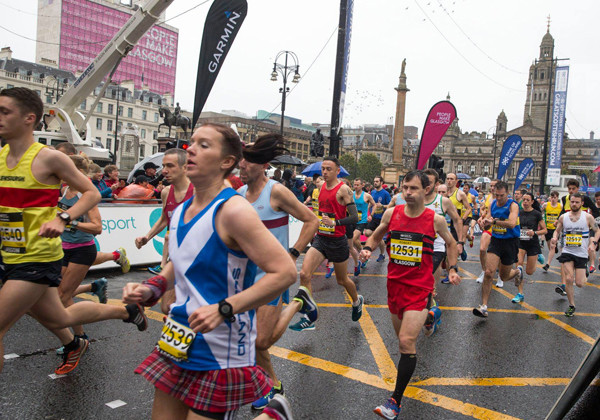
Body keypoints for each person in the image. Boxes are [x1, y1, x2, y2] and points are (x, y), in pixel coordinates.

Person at [123, 123, 297, 419]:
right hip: (177, 336)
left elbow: (285, 273)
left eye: (203, 145)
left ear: (226, 161)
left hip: (220, 347)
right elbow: (182, 261)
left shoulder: (234, 210)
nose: (190, 150)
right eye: (192, 143)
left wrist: (224, 308)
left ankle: (273, 415)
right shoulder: (181, 210)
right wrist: (152, 287)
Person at [0, 87, 148, 375]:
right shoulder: (2, 156)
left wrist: (63, 218)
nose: (0, 117)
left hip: (37, 257)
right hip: (9, 255)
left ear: (29, 118)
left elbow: (92, 193)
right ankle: (125, 311)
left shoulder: (48, 158)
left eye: (5, 112)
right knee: (59, 317)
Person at [361, 170, 460, 419]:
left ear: (426, 190)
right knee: (402, 340)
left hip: (419, 288)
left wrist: (453, 268)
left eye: (413, 188)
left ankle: (395, 401)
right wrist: (367, 248)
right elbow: (378, 233)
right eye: (404, 188)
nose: (407, 192)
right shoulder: (391, 213)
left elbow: (450, 242)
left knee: (406, 342)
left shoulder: (435, 219)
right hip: (395, 286)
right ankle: (430, 318)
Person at [238, 133, 319, 410]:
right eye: (241, 160)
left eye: (248, 161)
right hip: (245, 278)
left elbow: (311, 220)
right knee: (251, 339)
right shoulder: (238, 196)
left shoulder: (276, 192)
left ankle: (298, 303)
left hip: (271, 276)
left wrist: (293, 253)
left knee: (261, 339)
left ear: (263, 165)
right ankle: (272, 385)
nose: (241, 165)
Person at [288, 157, 363, 331]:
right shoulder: (320, 187)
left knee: (342, 280)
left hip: (338, 241)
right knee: (305, 274)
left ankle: (356, 301)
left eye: (329, 169)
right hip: (321, 239)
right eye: (323, 169)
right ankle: (310, 317)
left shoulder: (343, 189)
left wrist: (335, 223)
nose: (325, 172)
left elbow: (354, 217)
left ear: (337, 171)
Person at [135, 149, 193, 286]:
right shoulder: (166, 192)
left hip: (194, 260)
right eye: (164, 166)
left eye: (170, 166)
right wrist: (147, 237)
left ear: (185, 167)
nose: (164, 171)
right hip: (175, 258)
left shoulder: (199, 192)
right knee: (165, 299)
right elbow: (164, 218)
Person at [473, 181, 523, 318]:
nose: (499, 198)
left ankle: (517, 272)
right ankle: (484, 306)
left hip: (510, 242)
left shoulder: (513, 205)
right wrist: (484, 223)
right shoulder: (493, 203)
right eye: (497, 195)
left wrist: (493, 221)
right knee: (489, 272)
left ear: (507, 193)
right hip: (496, 241)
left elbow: (512, 223)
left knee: (504, 276)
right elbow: (488, 223)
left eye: (502, 195)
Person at [551, 193, 600, 316]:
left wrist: (593, 242)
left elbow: (597, 230)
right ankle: (571, 305)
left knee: (579, 283)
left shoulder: (588, 217)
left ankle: (585, 270)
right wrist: (554, 238)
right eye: (572, 202)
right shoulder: (563, 217)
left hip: (581, 253)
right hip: (567, 251)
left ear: (582, 203)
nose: (574, 204)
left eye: (577, 202)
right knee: (568, 278)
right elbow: (557, 231)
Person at [513, 192, 547, 303]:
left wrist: (534, 232)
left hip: (532, 243)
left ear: (532, 202)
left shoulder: (537, 214)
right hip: (520, 243)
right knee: (519, 267)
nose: (525, 202)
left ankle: (538, 255)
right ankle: (520, 293)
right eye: (524, 200)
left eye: (528, 200)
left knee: (529, 272)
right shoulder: (518, 212)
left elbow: (545, 230)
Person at [561, 179, 600, 274]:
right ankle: (567, 278)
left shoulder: (584, 199)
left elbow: (595, 210)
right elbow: (563, 211)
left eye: (573, 189)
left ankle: (588, 265)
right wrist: (558, 220)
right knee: (566, 252)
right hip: (570, 230)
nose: (571, 191)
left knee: (586, 248)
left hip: (584, 230)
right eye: (569, 189)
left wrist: (590, 220)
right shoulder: (565, 198)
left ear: (578, 189)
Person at [475, 180, 499, 285]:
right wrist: (482, 218)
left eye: (495, 186)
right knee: (482, 249)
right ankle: (484, 270)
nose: (492, 188)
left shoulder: (503, 199)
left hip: (499, 228)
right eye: (491, 186)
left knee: (498, 253)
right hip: (489, 227)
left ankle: (500, 276)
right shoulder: (488, 197)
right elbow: (486, 211)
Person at [352, 178, 376, 275]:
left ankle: (360, 258)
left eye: (357, 185)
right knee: (356, 241)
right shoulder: (351, 194)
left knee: (353, 239)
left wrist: (371, 215)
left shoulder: (367, 195)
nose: (355, 186)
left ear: (362, 185)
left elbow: (374, 205)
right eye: (354, 184)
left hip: (362, 221)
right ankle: (364, 255)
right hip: (353, 220)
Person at [365, 176, 392, 262]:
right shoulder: (372, 192)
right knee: (367, 233)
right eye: (374, 181)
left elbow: (391, 205)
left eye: (377, 181)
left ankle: (382, 254)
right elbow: (371, 203)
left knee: (378, 237)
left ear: (381, 182)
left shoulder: (385, 194)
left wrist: (382, 206)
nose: (375, 183)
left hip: (382, 219)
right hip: (373, 217)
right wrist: (367, 210)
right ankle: (375, 241)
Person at [446, 173, 471, 261]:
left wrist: (463, 219)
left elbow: (469, 208)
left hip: (455, 223)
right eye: (448, 179)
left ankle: (460, 249)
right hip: (444, 222)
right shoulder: (443, 192)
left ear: (456, 181)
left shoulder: (460, 194)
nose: (449, 181)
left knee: (452, 249)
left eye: (451, 179)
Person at [542, 190, 562, 272]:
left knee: (552, 246)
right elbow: (541, 213)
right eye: (552, 197)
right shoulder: (546, 205)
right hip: (547, 228)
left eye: (555, 197)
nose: (553, 199)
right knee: (550, 246)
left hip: (556, 229)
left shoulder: (560, 206)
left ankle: (547, 264)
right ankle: (555, 247)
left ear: (557, 198)